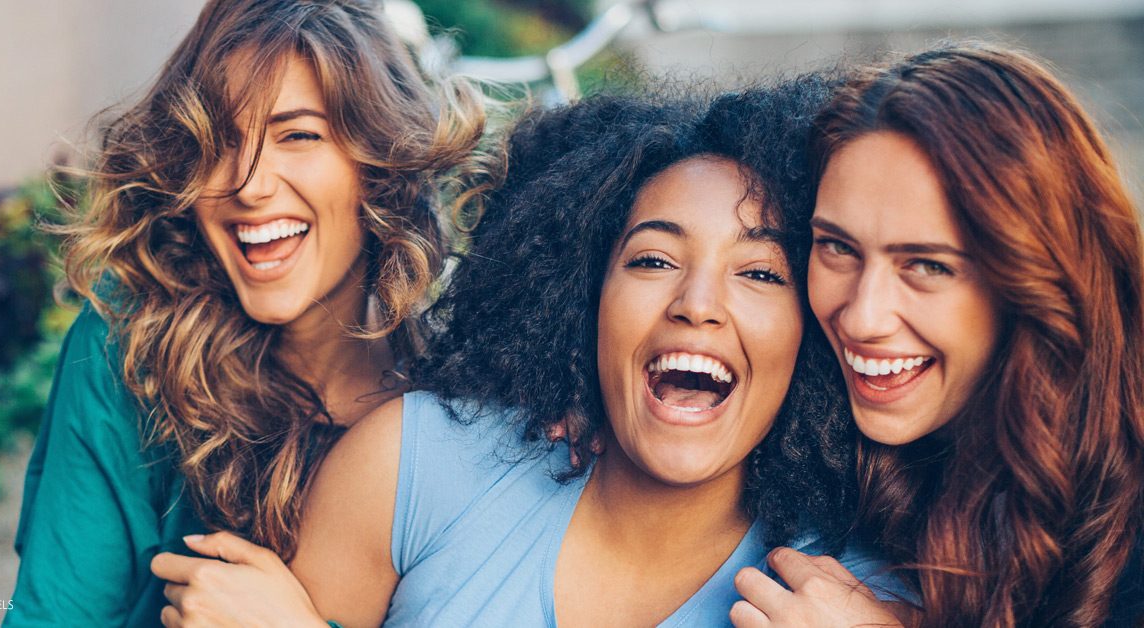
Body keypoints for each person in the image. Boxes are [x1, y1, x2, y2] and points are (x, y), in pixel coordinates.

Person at [151, 80, 910, 626]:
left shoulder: (839, 604)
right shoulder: (416, 464)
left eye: (760, 273)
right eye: (651, 260)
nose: (697, 304)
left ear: (813, 332)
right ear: (582, 297)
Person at [5, 0, 483, 625]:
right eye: (219, 141)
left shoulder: (468, 403)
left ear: (379, 164)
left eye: (298, 135)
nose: (249, 185)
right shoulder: (131, 349)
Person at [732, 43, 1144, 627]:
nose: (861, 318)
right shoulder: (820, 409)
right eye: (837, 247)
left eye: (927, 265)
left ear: (1036, 279)